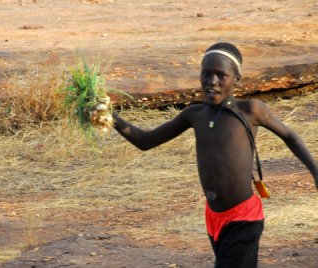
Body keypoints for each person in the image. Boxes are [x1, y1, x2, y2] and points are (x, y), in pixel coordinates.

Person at [111, 42, 318, 268]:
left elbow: (291, 136)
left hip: (243, 218)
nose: (212, 82)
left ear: (236, 79)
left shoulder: (249, 110)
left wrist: (315, 172)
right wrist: (109, 116)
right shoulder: (194, 114)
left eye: (221, 75)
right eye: (206, 74)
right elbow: (145, 141)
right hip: (213, 217)